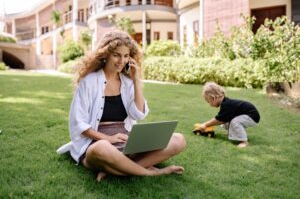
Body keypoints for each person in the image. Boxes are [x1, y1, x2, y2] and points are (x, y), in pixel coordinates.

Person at [57, 30, 186, 181]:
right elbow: (78, 123)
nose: (121, 61)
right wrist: (107, 138)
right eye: (116, 55)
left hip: (126, 141)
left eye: (126, 56)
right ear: (105, 54)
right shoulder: (89, 82)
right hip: (97, 143)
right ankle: (149, 172)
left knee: (179, 140)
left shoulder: (127, 82)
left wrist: (136, 80)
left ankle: (116, 168)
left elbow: (138, 114)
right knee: (102, 148)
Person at [198, 82, 260, 148]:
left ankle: (244, 142)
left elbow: (219, 119)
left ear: (213, 98)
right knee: (227, 122)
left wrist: (205, 125)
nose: (209, 104)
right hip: (247, 115)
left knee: (235, 121)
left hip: (252, 116)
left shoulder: (226, 104)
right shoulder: (225, 103)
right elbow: (223, 119)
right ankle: (233, 134)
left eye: (209, 102)